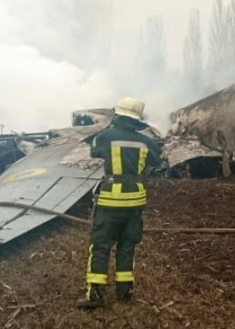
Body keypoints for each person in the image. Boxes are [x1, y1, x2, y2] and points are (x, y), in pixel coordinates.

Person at [76, 97, 163, 310]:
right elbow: (157, 160)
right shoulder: (148, 142)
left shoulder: (105, 137)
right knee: (127, 245)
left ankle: (95, 294)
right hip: (135, 202)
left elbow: (94, 150)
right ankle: (125, 291)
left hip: (110, 201)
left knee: (101, 245)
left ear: (117, 115)